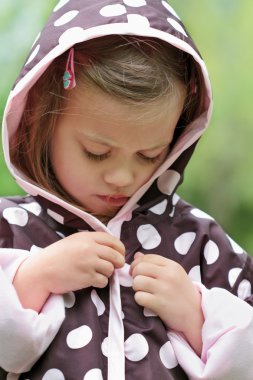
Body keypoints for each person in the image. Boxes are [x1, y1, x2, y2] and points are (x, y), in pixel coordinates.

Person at [0, 1, 253, 379]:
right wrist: (33, 279)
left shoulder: (201, 243)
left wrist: (199, 316)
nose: (122, 176)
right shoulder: (10, 229)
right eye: (96, 153)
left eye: (150, 154)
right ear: (41, 120)